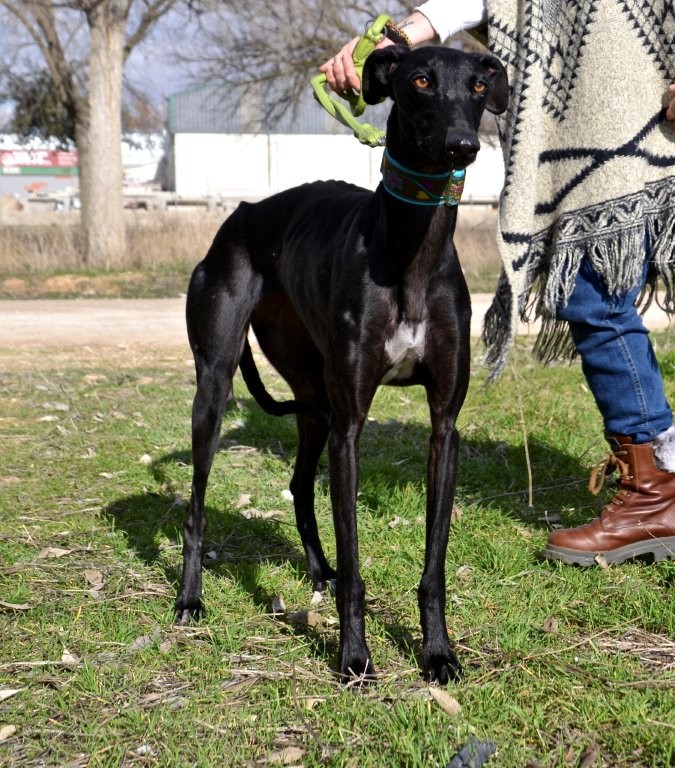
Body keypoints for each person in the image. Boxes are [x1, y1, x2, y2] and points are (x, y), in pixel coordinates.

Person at [321, 1, 675, 566]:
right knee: (591, 287)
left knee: (597, 293)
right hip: (590, 130)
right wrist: (391, 38)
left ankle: (657, 489)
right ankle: (657, 476)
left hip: (640, 118)